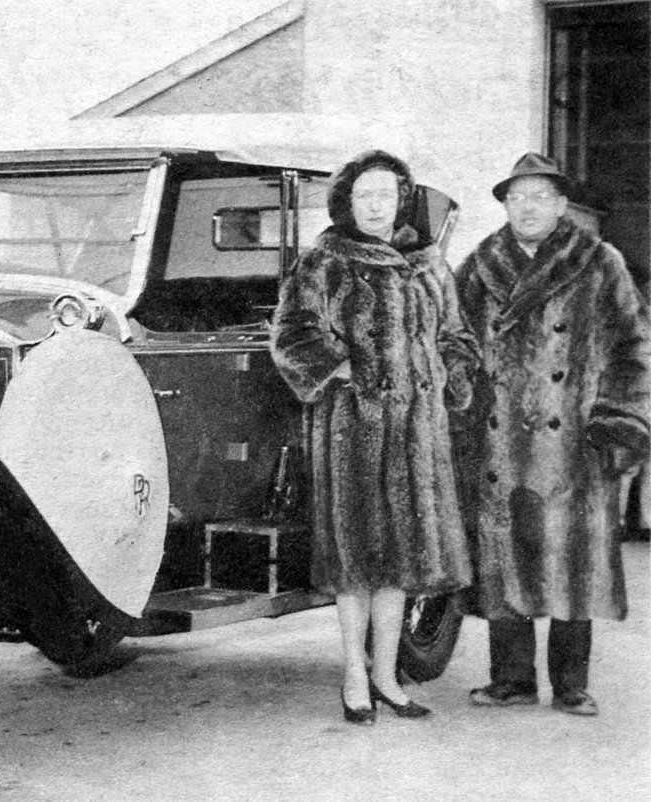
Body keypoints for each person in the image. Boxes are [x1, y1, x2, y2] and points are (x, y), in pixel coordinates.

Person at [271, 150, 479, 724]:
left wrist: (449, 377)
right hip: (353, 431)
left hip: (418, 432)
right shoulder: (323, 262)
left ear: (401, 200)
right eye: (364, 195)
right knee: (355, 563)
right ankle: (353, 677)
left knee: (401, 563)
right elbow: (292, 336)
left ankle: (388, 676)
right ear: (347, 201)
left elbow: (457, 335)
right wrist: (343, 373)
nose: (374, 205)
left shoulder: (430, 266)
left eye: (385, 195)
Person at [454, 152, 650, 716]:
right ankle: (512, 679)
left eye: (540, 197)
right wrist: (461, 409)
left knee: (572, 564)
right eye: (518, 198)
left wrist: (620, 422)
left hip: (575, 444)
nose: (528, 207)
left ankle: (571, 684)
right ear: (505, 205)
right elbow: (455, 345)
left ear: (562, 205)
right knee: (504, 558)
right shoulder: (480, 264)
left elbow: (634, 348)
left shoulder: (599, 261)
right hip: (498, 443)